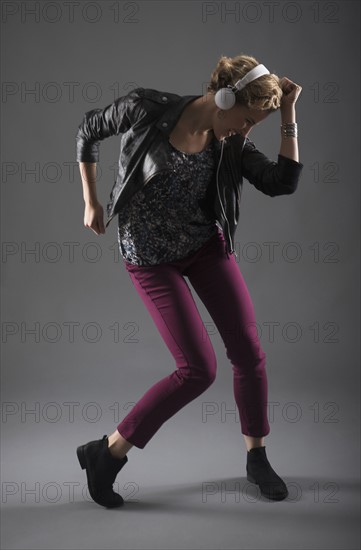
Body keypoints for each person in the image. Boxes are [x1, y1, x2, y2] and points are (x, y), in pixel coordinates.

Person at [75, 53, 303, 508]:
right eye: (246, 119)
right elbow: (87, 130)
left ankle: (256, 456)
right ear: (222, 99)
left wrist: (289, 114)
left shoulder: (229, 141)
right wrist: (91, 201)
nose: (246, 131)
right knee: (198, 370)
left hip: (204, 248)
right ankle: (107, 453)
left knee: (249, 353)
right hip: (150, 257)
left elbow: (282, 183)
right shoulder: (145, 109)